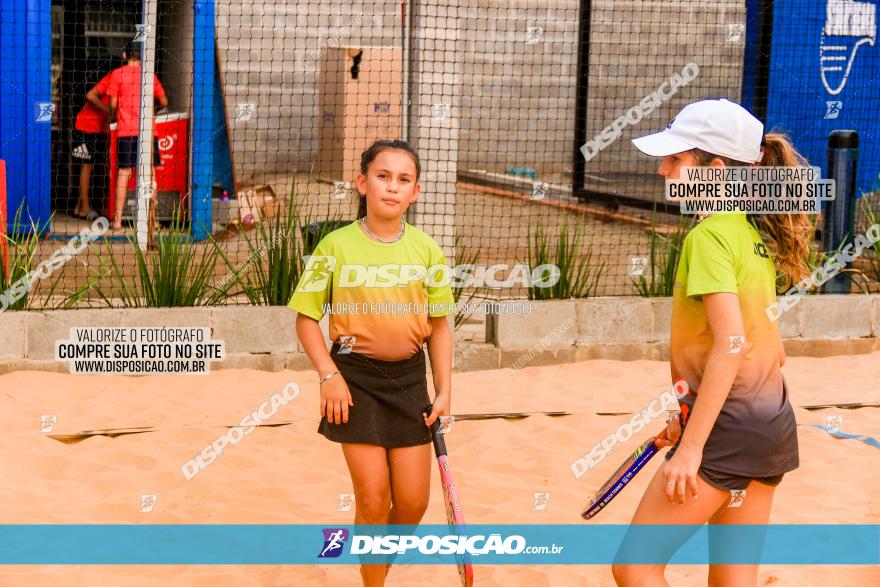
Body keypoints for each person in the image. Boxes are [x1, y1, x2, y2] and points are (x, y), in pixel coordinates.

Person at [612, 99, 809, 586]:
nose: (662, 170)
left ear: (715, 169)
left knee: (634, 568)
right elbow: (772, 350)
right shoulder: (750, 235)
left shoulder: (708, 239)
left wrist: (693, 445)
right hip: (771, 429)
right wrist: (690, 417)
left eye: (675, 159)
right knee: (732, 581)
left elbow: (732, 344)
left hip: (727, 433)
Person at [289, 140, 455, 587]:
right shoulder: (334, 246)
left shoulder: (427, 250)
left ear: (415, 192)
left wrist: (444, 391)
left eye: (404, 180)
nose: (392, 187)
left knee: (414, 504)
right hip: (353, 381)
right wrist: (329, 377)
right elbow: (306, 321)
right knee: (374, 499)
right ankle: (373, 581)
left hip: (409, 383)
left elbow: (439, 326)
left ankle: (373, 557)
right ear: (363, 183)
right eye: (383, 176)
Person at [106, 41, 168, 242]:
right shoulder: (149, 75)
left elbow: (113, 104)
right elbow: (164, 101)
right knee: (150, 173)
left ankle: (116, 221)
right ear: (141, 56)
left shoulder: (117, 75)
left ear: (125, 55)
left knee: (124, 173)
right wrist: (150, 112)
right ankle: (153, 220)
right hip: (148, 131)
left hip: (126, 131)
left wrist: (113, 117)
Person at [71, 67, 113, 221]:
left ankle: (79, 207)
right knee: (86, 166)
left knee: (90, 166)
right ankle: (85, 208)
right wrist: (107, 110)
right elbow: (90, 96)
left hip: (97, 130)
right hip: (84, 127)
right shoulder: (111, 79)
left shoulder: (116, 82)